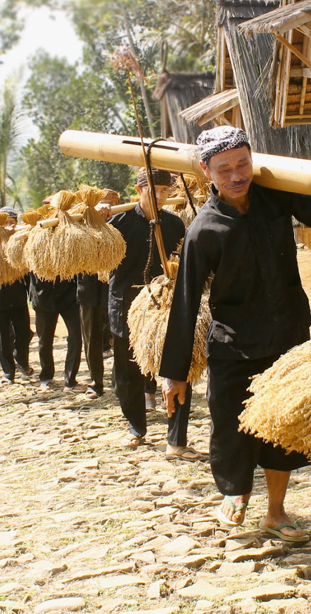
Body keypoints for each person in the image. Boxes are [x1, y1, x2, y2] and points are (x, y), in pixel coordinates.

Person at [160, 126, 311, 542]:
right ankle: (236, 491)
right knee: (230, 425)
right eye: (224, 168)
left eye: (243, 164)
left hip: (287, 336)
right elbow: (185, 300)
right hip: (234, 343)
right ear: (206, 171)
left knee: (284, 427)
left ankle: (276, 510)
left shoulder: (276, 197)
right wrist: (175, 372)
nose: (236, 175)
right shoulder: (204, 229)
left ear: (253, 161)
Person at [110, 167, 197, 459]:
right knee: (128, 372)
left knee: (178, 368)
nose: (160, 197)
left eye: (165, 191)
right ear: (139, 191)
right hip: (125, 305)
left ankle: (176, 438)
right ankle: (136, 427)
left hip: (166, 307)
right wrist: (94, 220)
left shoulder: (174, 225)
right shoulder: (118, 223)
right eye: (153, 191)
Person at [77, 189, 120, 399]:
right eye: (100, 203)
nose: (105, 207)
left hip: (117, 288)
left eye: (110, 203)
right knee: (92, 337)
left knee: (120, 336)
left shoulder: (124, 221)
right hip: (89, 290)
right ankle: (96, 383)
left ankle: (120, 381)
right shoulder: (81, 221)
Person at [0, 206, 34, 385]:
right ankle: (8, 372)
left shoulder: (21, 243)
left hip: (18, 297)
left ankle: (21, 359)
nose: (8, 227)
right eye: (4, 223)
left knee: (24, 333)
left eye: (12, 223)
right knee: (2, 337)